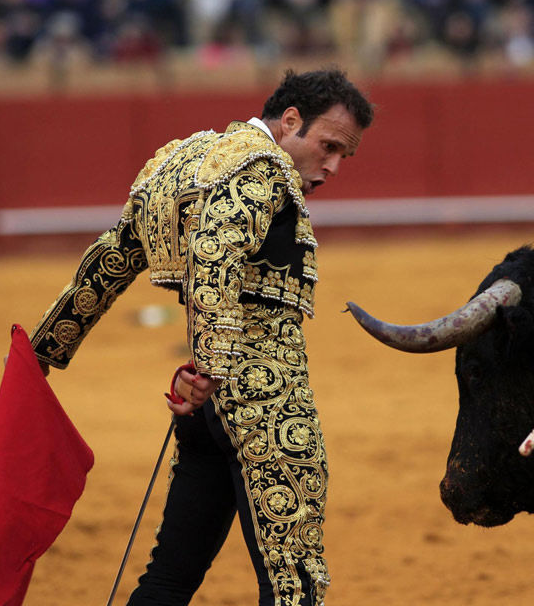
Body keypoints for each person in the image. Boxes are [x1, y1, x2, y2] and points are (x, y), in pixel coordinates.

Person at [28, 67, 374, 605]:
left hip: (202, 408)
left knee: (169, 577)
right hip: (265, 402)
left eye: (343, 156)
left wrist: (46, 347)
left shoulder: (177, 161)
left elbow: (112, 260)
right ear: (289, 122)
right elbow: (215, 257)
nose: (331, 167)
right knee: (293, 584)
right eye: (328, 146)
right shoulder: (261, 169)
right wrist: (214, 368)